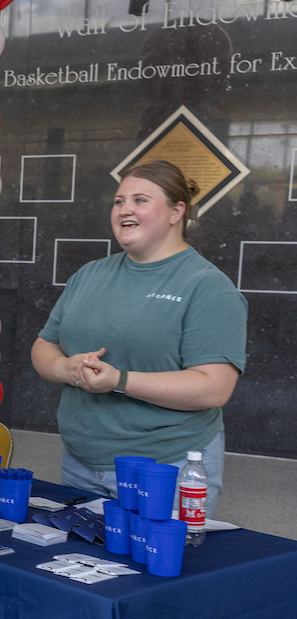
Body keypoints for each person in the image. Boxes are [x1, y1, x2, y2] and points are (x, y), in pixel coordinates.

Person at [32, 160, 247, 516]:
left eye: (140, 200)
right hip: (81, 462)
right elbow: (44, 345)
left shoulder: (207, 287)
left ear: (177, 211)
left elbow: (214, 388)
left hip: (165, 469)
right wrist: (66, 368)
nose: (125, 209)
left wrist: (120, 381)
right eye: (119, 201)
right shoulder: (89, 274)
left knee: (158, 569)